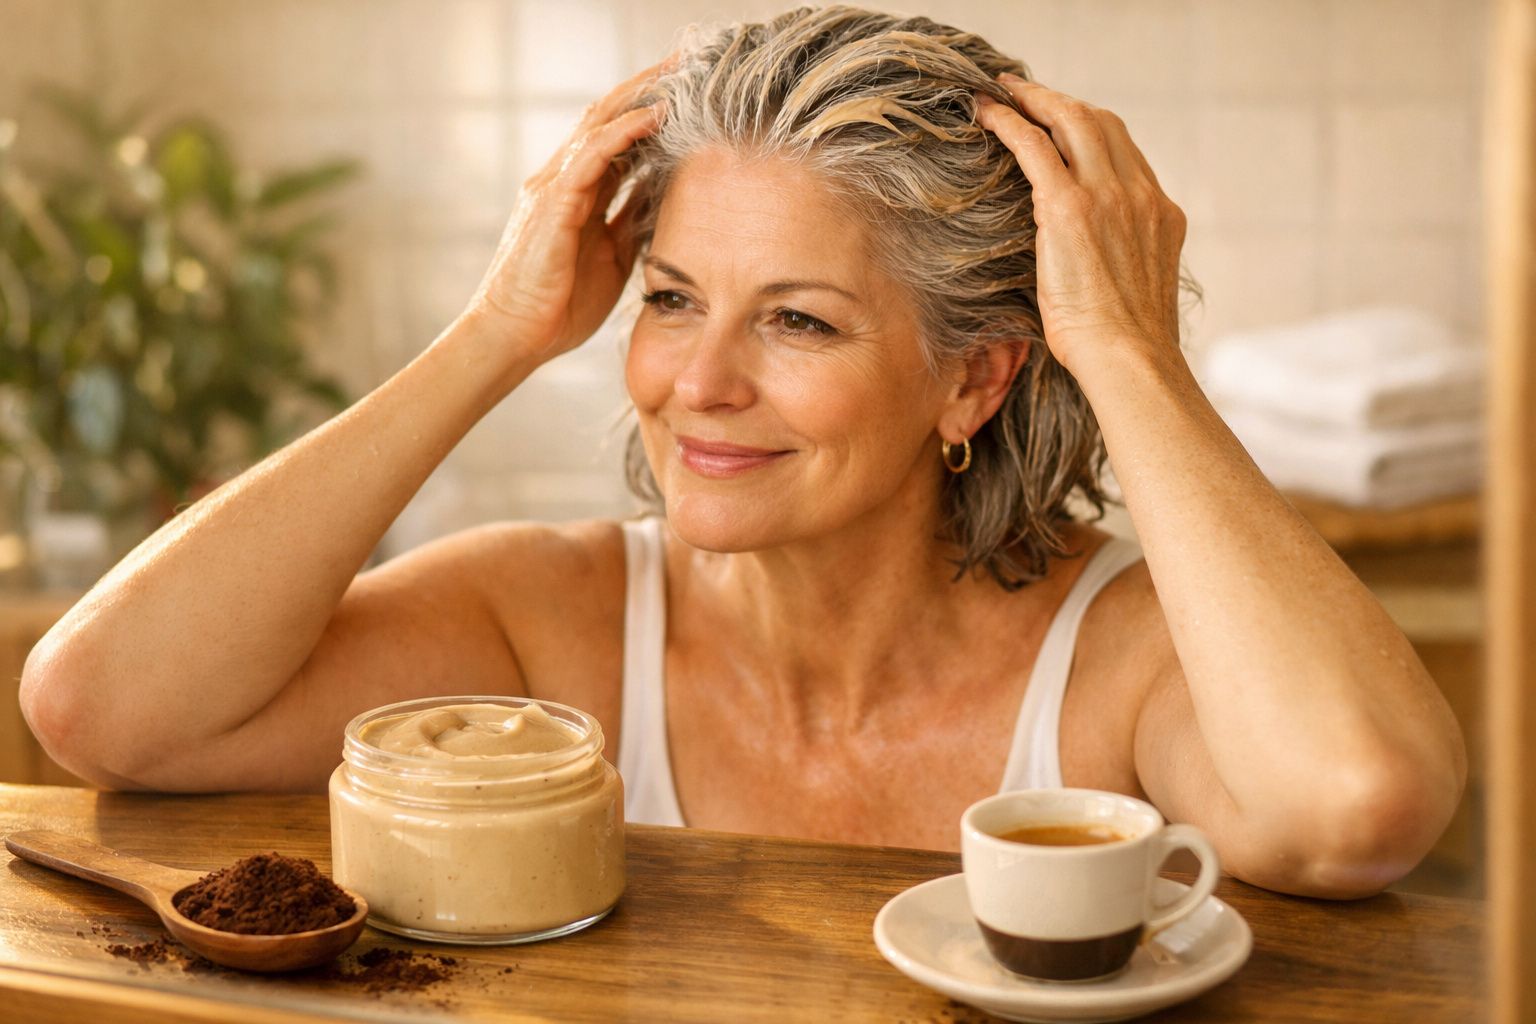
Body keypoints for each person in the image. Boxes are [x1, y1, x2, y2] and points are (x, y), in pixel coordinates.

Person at [20, 5, 1465, 900]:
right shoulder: (555, 625)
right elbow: (102, 710)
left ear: (974, 380)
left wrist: (1130, 355)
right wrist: (497, 333)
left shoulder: (1124, 661)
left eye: (798, 320)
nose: (697, 384)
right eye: (669, 301)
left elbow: (1358, 809)